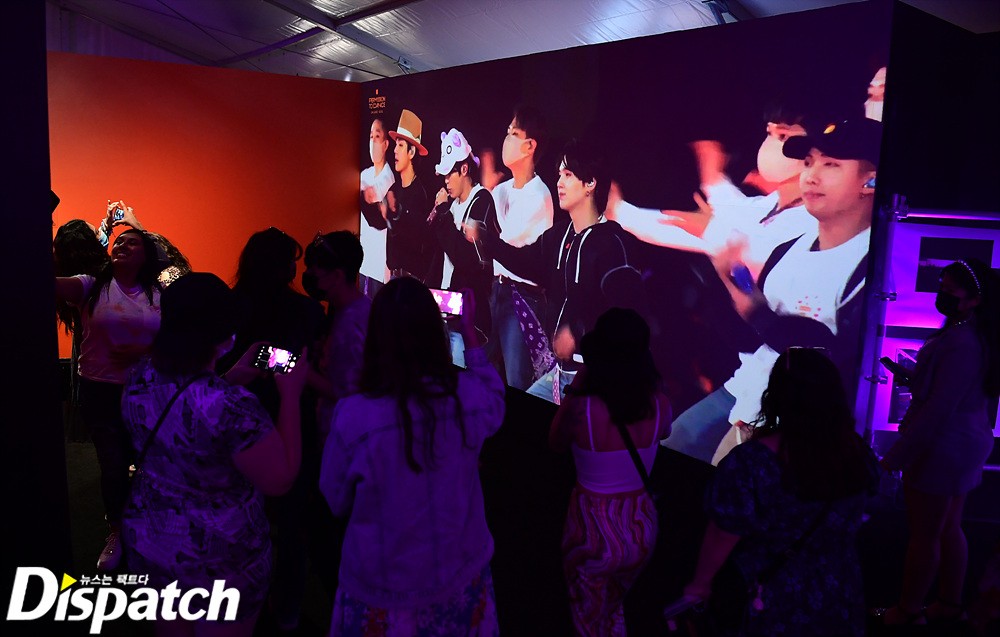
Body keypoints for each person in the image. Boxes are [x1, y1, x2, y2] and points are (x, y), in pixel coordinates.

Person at [664, 117, 880, 464]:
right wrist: (726, 279)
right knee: (674, 449)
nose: (811, 176)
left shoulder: (870, 266)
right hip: (747, 394)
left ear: (870, 181)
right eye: (808, 162)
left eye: (831, 165)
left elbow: (829, 355)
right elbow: (752, 339)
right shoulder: (789, 249)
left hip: (796, 420)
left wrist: (755, 311)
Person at [121, 272, 307, 636]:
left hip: (153, 539)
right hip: (222, 559)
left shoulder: (140, 375)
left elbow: (183, 415)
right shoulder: (233, 407)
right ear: (224, 335)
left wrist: (232, 374)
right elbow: (280, 479)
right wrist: (291, 395)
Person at [319, 278, 503, 636]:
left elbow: (335, 497)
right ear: (435, 333)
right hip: (460, 579)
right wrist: (469, 334)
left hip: (380, 587)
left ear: (376, 338)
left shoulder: (354, 416)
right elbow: (495, 400)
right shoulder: (468, 397)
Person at [682, 347, 878, 637]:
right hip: (839, 590)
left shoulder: (752, 461)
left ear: (777, 396)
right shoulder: (857, 453)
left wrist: (700, 584)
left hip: (770, 594)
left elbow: (724, 532)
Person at [878, 258, 999, 627]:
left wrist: (896, 457)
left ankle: (908, 611)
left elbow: (939, 408)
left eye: (950, 290)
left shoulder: (962, 341)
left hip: (944, 447)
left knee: (925, 534)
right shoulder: (970, 334)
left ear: (975, 298)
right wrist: (914, 377)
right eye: (941, 287)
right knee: (948, 526)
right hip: (962, 443)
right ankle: (948, 603)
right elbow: (950, 392)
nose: (941, 295)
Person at [218, 227, 324, 634]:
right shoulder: (307, 311)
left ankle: (238, 607)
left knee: (235, 520)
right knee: (293, 526)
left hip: (233, 423)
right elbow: (302, 363)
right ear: (286, 267)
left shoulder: (229, 305)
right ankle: (287, 614)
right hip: (290, 418)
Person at [483, 139, 645, 403]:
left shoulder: (613, 244)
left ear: (590, 183)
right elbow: (527, 262)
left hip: (595, 380)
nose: (559, 182)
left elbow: (627, 316)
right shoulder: (559, 235)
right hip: (560, 374)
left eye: (568, 175)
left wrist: (578, 332)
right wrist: (486, 240)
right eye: (559, 174)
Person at [549, 308, 671, 636]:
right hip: (641, 527)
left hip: (593, 529)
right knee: (614, 607)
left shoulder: (584, 409)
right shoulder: (660, 403)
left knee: (587, 619)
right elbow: (663, 433)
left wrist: (581, 381)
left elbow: (555, 442)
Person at [55, 226, 164, 571]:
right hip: (100, 389)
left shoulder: (157, 292)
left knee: (148, 462)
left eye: (132, 243)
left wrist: (145, 352)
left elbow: (171, 338)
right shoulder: (92, 285)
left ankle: (147, 524)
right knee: (113, 465)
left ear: (146, 256)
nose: (122, 245)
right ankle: (116, 530)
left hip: (145, 389)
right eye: (119, 241)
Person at [486, 105, 554, 389]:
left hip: (522, 298)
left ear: (529, 146)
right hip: (496, 290)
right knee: (485, 372)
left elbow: (503, 242)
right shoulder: (500, 190)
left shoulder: (539, 195)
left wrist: (482, 234)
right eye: (507, 132)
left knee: (517, 382)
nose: (506, 139)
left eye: (513, 134)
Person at [430, 127, 497, 362]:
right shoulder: (451, 206)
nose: (446, 181)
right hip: (443, 306)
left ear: (465, 169)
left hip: (467, 315)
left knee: (461, 375)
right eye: (444, 175)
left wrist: (443, 213)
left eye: (450, 174)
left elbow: (467, 259)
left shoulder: (482, 199)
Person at [301, 230, 370, 443]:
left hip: (342, 436)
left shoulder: (352, 322)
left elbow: (346, 392)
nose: (309, 275)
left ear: (337, 276)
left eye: (315, 271)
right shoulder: (350, 309)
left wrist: (301, 372)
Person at [362, 108, 442, 286]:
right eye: (395, 145)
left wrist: (396, 214)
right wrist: (367, 202)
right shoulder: (395, 188)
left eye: (400, 145)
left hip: (411, 281)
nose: (395, 151)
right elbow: (379, 221)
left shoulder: (420, 193)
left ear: (411, 152)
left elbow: (417, 238)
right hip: (394, 278)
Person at [358, 117, 395, 298]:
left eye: (377, 136)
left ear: (386, 144)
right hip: (363, 261)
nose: (373, 141)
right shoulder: (364, 175)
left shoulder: (389, 179)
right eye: (371, 136)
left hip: (379, 266)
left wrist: (366, 196)